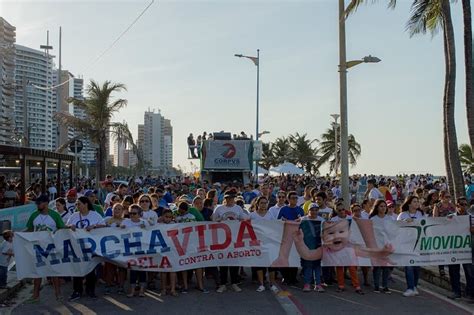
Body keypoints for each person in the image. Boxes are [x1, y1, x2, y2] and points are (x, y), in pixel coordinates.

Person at [26, 194, 65, 303]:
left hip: (51, 248)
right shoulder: (34, 215)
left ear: (46, 203)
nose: (37, 205)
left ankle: (58, 294)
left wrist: (70, 227)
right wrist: (17, 234)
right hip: (37, 248)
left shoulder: (55, 215)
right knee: (37, 273)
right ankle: (35, 296)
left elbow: (62, 229)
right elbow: (29, 230)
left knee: (54, 272)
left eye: (39, 203)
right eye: (37, 203)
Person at [67, 196, 104, 301]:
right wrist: (70, 227)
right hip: (77, 247)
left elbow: (104, 225)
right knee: (77, 269)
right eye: (76, 204)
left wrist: (94, 227)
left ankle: (90, 290)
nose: (77, 206)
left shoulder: (95, 215)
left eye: (79, 204)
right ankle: (77, 291)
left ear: (86, 204)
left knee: (90, 269)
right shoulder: (74, 216)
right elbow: (66, 226)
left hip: (91, 247)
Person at [213, 192, 248, 293]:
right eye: (228, 198)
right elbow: (213, 221)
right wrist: (219, 220)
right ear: (225, 199)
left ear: (234, 198)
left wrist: (240, 219)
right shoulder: (219, 208)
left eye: (232, 198)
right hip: (222, 238)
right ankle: (223, 284)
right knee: (223, 261)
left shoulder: (238, 208)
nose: (230, 200)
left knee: (234, 261)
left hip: (235, 238)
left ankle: (234, 283)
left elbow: (244, 219)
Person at [249, 196, 279, 293]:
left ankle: (272, 284)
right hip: (257, 243)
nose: (263, 205)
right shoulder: (252, 215)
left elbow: (275, 226)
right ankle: (261, 284)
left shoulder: (270, 215)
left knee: (271, 264)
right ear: (257, 204)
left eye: (265, 203)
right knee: (259, 264)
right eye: (261, 203)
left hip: (269, 242)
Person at [447, 197, 474, 301]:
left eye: (465, 204)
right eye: (461, 204)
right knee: (454, 271)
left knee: (470, 272)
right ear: (457, 205)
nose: (464, 207)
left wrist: (471, 230)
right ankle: (456, 292)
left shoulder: (471, 217)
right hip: (454, 248)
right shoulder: (450, 217)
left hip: (467, 248)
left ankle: (470, 294)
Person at [397, 196, 424, 297]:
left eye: (418, 201)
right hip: (406, 244)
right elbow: (397, 226)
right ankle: (410, 288)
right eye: (414, 201)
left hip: (417, 244)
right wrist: (404, 222)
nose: (417, 203)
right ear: (409, 203)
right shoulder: (402, 214)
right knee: (409, 266)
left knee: (416, 267)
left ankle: (414, 286)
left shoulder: (420, 214)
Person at [121, 204, 149, 297]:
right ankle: (132, 291)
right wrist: (122, 229)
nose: (132, 215)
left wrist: (145, 228)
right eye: (130, 213)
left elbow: (150, 234)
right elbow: (119, 233)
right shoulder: (126, 222)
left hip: (142, 250)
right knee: (132, 271)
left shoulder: (145, 223)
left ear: (140, 214)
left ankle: (142, 291)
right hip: (130, 251)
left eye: (134, 213)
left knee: (142, 271)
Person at [277, 191, 304, 286]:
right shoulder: (283, 209)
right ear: (288, 199)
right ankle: (285, 276)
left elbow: (303, 223)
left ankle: (293, 277)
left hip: (296, 238)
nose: (295, 200)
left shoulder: (300, 210)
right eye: (292, 198)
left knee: (295, 257)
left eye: (296, 198)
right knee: (285, 257)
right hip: (285, 238)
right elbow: (278, 222)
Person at [100, 203, 126, 294]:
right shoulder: (107, 220)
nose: (117, 211)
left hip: (122, 248)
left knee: (121, 268)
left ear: (123, 211)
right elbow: (98, 226)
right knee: (109, 267)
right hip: (110, 247)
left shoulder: (126, 221)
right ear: (112, 210)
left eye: (119, 209)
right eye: (115, 209)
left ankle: (121, 286)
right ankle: (108, 285)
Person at [300, 203, 324, 293]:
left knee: (317, 266)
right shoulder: (302, 220)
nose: (314, 212)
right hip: (306, 246)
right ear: (308, 211)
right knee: (307, 266)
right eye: (312, 210)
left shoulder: (322, 220)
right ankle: (307, 284)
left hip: (318, 246)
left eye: (316, 210)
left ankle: (318, 284)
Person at [369, 199, 392, 294]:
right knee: (377, 267)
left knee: (386, 267)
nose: (383, 208)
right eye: (381, 206)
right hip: (376, 246)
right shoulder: (373, 219)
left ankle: (385, 286)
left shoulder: (389, 218)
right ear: (377, 207)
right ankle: (376, 286)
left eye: (384, 206)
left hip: (387, 246)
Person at [159, 209, 178, 296]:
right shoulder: (159, 225)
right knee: (163, 270)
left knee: (173, 270)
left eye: (170, 217)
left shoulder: (174, 224)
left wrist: (176, 221)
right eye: (166, 217)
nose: (168, 219)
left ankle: (173, 289)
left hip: (173, 249)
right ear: (162, 216)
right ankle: (163, 289)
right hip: (163, 250)